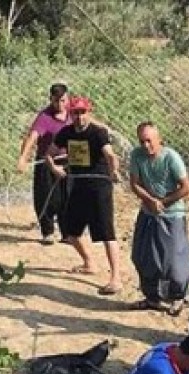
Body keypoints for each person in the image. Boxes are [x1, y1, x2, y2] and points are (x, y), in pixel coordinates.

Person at [53, 95, 123, 296]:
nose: (79, 117)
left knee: (106, 232)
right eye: (75, 113)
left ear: (88, 113)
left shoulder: (98, 133)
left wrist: (113, 171)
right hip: (78, 185)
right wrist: (54, 167)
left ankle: (115, 277)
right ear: (70, 114)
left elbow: (110, 154)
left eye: (82, 112)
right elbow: (49, 153)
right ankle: (88, 262)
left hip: (99, 186)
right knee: (70, 230)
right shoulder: (66, 133)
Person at [129, 122, 189, 314]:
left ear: (159, 139)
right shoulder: (137, 156)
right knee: (143, 256)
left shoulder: (171, 158)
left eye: (149, 141)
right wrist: (149, 200)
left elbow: (186, 187)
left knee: (173, 260)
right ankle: (152, 297)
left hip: (172, 215)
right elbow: (134, 183)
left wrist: (164, 202)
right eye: (142, 141)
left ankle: (177, 297)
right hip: (148, 212)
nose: (146, 145)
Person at [16, 83, 70, 244]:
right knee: (45, 196)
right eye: (56, 101)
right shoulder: (44, 117)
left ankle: (67, 233)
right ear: (50, 100)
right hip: (46, 161)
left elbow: (90, 123)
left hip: (68, 160)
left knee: (68, 196)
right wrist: (23, 159)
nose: (60, 105)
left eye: (63, 100)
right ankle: (48, 231)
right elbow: (32, 137)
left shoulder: (73, 113)